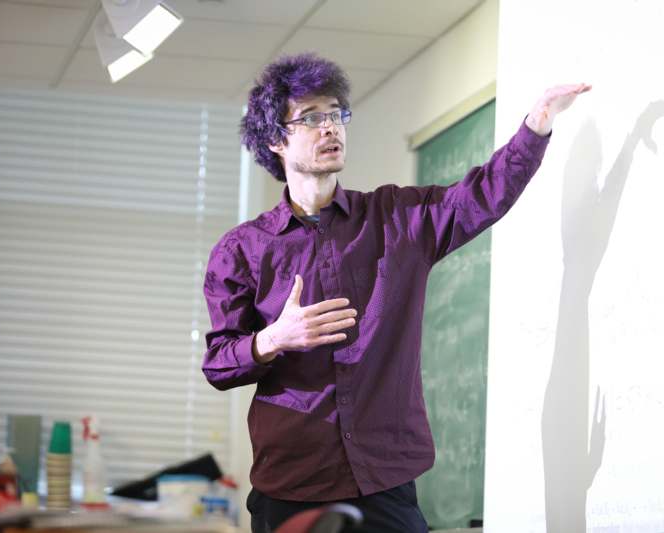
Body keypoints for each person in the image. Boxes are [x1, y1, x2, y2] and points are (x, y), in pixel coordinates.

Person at [202, 52, 590, 532]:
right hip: (292, 484)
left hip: (385, 479)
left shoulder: (398, 218)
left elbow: (481, 196)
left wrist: (536, 126)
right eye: (312, 118)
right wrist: (273, 339)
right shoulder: (241, 250)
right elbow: (218, 363)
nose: (331, 128)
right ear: (275, 139)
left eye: (337, 114)